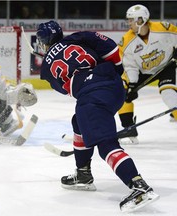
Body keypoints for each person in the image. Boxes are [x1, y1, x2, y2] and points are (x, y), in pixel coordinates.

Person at [35, 20, 159, 212]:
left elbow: (68, 89)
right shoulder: (77, 37)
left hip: (92, 96)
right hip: (113, 84)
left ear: (43, 42)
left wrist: (50, 60)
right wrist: (116, 71)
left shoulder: (45, 69)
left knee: (106, 145)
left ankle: (138, 186)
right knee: (79, 122)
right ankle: (83, 173)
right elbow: (110, 47)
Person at [117, 4, 177, 144]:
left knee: (169, 94)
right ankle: (128, 129)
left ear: (141, 20)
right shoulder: (127, 40)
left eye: (131, 20)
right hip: (142, 71)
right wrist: (131, 84)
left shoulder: (163, 29)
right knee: (122, 92)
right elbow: (130, 66)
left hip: (166, 67)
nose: (129, 23)